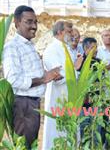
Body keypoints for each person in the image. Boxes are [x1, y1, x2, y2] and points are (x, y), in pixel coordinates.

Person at [2, 5, 61, 149]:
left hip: (31, 104)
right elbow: (13, 79)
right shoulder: (12, 47)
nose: (34, 26)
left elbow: (31, 74)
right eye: (29, 22)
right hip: (23, 105)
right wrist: (43, 79)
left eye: (35, 22)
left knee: (31, 145)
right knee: (24, 146)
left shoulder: (29, 46)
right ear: (17, 23)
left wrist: (50, 75)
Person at [42, 21, 74, 150]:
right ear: (60, 32)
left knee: (69, 132)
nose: (72, 34)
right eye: (69, 31)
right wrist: (75, 72)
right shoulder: (51, 50)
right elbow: (57, 77)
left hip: (70, 97)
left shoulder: (67, 49)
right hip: (57, 97)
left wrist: (74, 72)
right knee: (56, 131)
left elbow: (69, 72)